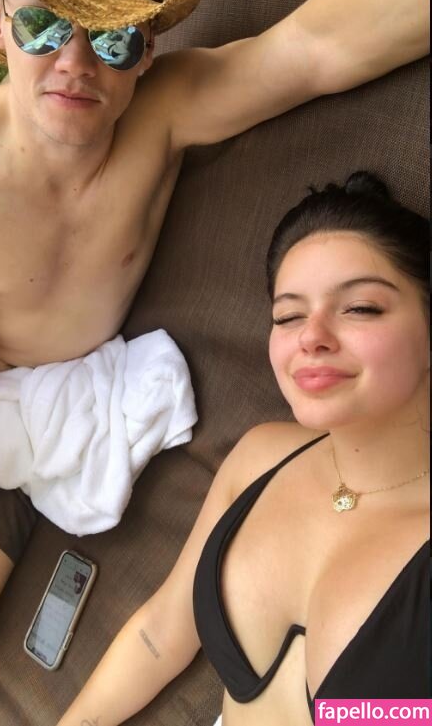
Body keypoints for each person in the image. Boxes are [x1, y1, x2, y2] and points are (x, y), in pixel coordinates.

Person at [0, 0, 429, 653]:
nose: (76, 63)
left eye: (114, 37)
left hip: (34, 431)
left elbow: (313, 50)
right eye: (44, 23)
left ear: (147, 51)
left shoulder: (162, 112)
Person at [56, 171, 430, 726]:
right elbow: (158, 635)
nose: (310, 336)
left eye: (359, 308)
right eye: (288, 316)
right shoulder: (260, 457)